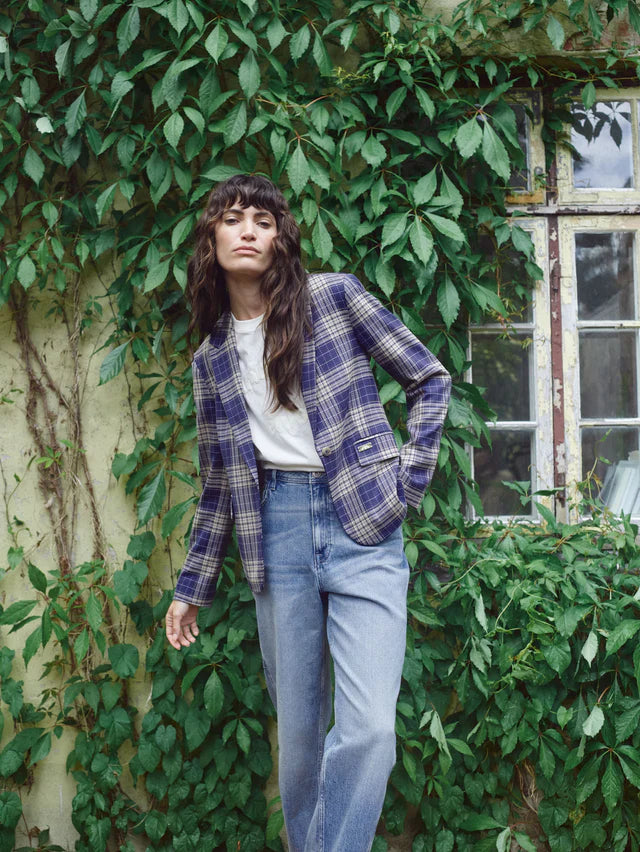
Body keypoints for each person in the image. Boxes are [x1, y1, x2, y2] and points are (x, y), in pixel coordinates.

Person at [165, 174, 451, 852]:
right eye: (232, 219)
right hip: (278, 532)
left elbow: (429, 377)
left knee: (371, 730)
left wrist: (406, 482)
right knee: (298, 745)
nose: (247, 231)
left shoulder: (334, 298)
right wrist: (191, 587)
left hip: (363, 525)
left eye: (263, 221)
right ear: (211, 238)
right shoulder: (210, 359)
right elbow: (218, 487)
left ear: (280, 239)